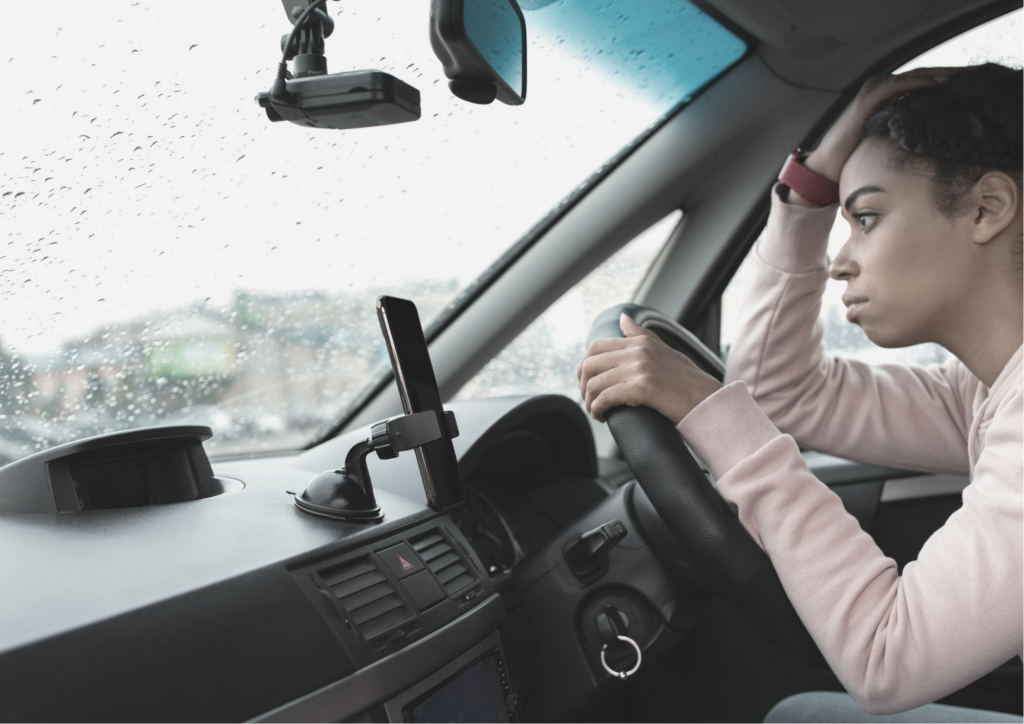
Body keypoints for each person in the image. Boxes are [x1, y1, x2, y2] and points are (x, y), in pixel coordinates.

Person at [576, 63, 1023, 722]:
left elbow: (888, 662)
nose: (839, 259)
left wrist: (710, 410)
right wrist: (806, 192)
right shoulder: (984, 390)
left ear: (987, 208)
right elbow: (782, 394)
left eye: (866, 217)